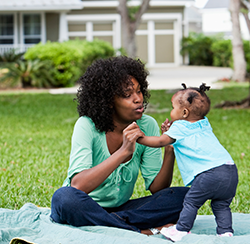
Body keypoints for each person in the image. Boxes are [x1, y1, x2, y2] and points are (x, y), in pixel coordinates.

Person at [50, 56, 189, 235]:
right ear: (108, 101)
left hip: (120, 210)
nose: (138, 99)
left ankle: (108, 225)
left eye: (139, 91)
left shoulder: (148, 125)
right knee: (64, 198)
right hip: (82, 204)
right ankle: (141, 232)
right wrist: (124, 152)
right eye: (127, 95)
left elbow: (158, 189)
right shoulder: (86, 125)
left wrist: (169, 151)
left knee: (184, 197)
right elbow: (78, 185)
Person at [137, 83, 238, 241]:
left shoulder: (180, 127)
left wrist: (140, 137)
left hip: (209, 174)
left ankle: (181, 230)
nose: (171, 112)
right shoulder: (204, 122)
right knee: (221, 204)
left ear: (184, 112)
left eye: (172, 107)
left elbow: (159, 142)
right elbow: (187, 134)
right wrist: (171, 132)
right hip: (230, 171)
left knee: (190, 201)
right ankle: (226, 232)